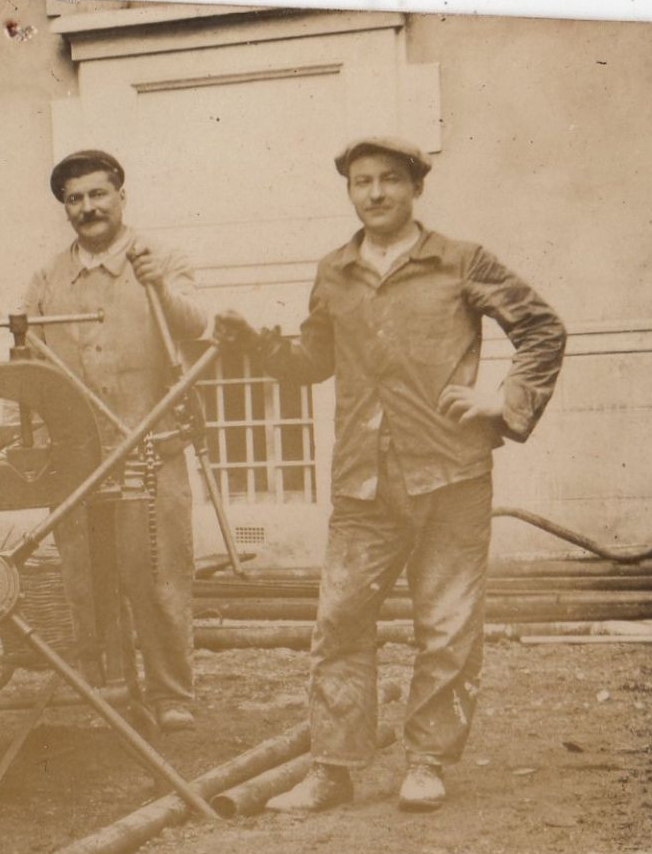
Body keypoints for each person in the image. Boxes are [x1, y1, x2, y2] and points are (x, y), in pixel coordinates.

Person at [218, 138, 566, 812]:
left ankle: (427, 761)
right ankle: (331, 770)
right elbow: (312, 360)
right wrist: (253, 344)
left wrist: (504, 402)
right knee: (340, 623)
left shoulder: (460, 260)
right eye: (360, 182)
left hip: (450, 473)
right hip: (361, 480)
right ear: (348, 190)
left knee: (445, 625)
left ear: (415, 187)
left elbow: (542, 330)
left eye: (389, 180)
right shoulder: (333, 271)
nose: (374, 193)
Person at [22, 150, 211, 732]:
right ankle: (107, 692)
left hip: (153, 447)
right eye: (75, 199)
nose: (88, 208)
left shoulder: (161, 261)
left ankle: (171, 693)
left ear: (121, 196)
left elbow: (197, 330)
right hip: (78, 460)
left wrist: (162, 288)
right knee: (87, 577)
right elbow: (28, 367)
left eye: (98, 195)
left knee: (156, 573)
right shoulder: (47, 279)